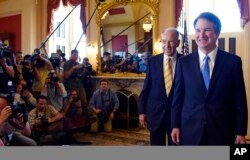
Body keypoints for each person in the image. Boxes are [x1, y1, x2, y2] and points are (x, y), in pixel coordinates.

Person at [171, 12, 248, 145]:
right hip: (190, 129)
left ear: (217, 33)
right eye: (198, 30)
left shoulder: (233, 62)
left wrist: (241, 131)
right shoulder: (183, 62)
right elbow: (178, 97)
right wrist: (175, 125)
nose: (201, 35)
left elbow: (240, 100)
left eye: (207, 30)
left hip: (222, 130)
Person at [138, 28, 183, 145]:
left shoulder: (185, 61)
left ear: (178, 42)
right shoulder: (153, 61)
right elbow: (146, 89)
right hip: (155, 115)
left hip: (177, 118)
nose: (166, 45)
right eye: (163, 41)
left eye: (171, 41)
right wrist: (142, 111)